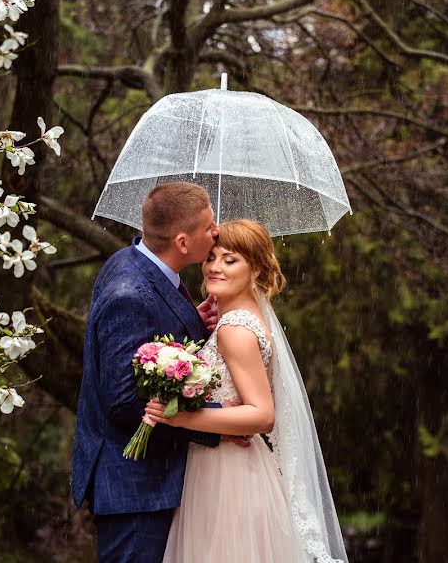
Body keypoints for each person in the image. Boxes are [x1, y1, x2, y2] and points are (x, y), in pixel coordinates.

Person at [145, 219, 349, 562]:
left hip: (226, 476)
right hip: (233, 465)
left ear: (255, 269)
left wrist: (180, 417)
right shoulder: (244, 319)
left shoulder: (234, 329)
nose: (214, 267)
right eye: (211, 257)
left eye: (230, 259)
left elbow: (261, 414)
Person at [71, 182, 247, 563]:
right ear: (183, 243)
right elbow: (124, 402)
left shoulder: (130, 259)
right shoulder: (130, 294)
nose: (216, 232)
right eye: (208, 226)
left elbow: (146, 341)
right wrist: (218, 422)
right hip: (134, 485)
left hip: (143, 480)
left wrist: (191, 324)